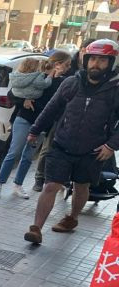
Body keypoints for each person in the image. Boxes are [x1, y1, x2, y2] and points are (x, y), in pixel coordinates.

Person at [24, 39, 119, 244]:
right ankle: (36, 229)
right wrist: (35, 130)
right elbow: (52, 108)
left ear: (111, 63)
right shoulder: (71, 82)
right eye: (92, 58)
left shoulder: (115, 89)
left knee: (81, 186)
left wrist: (112, 145)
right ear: (85, 60)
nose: (96, 64)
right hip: (62, 144)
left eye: (102, 60)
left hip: (93, 150)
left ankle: (72, 218)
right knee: (51, 185)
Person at [0, 52, 72, 199]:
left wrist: (56, 78)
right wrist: (23, 102)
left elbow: (58, 104)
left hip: (42, 125)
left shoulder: (62, 82)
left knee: (28, 157)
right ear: (57, 63)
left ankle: (18, 185)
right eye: (66, 64)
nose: (68, 68)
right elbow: (12, 93)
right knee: (13, 153)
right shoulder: (38, 74)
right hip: (24, 119)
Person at [33, 38, 96, 192]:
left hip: (80, 121)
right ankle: (40, 178)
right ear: (81, 50)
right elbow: (51, 99)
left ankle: (65, 180)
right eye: (88, 52)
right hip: (59, 117)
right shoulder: (69, 66)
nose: (93, 59)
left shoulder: (95, 71)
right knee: (48, 148)